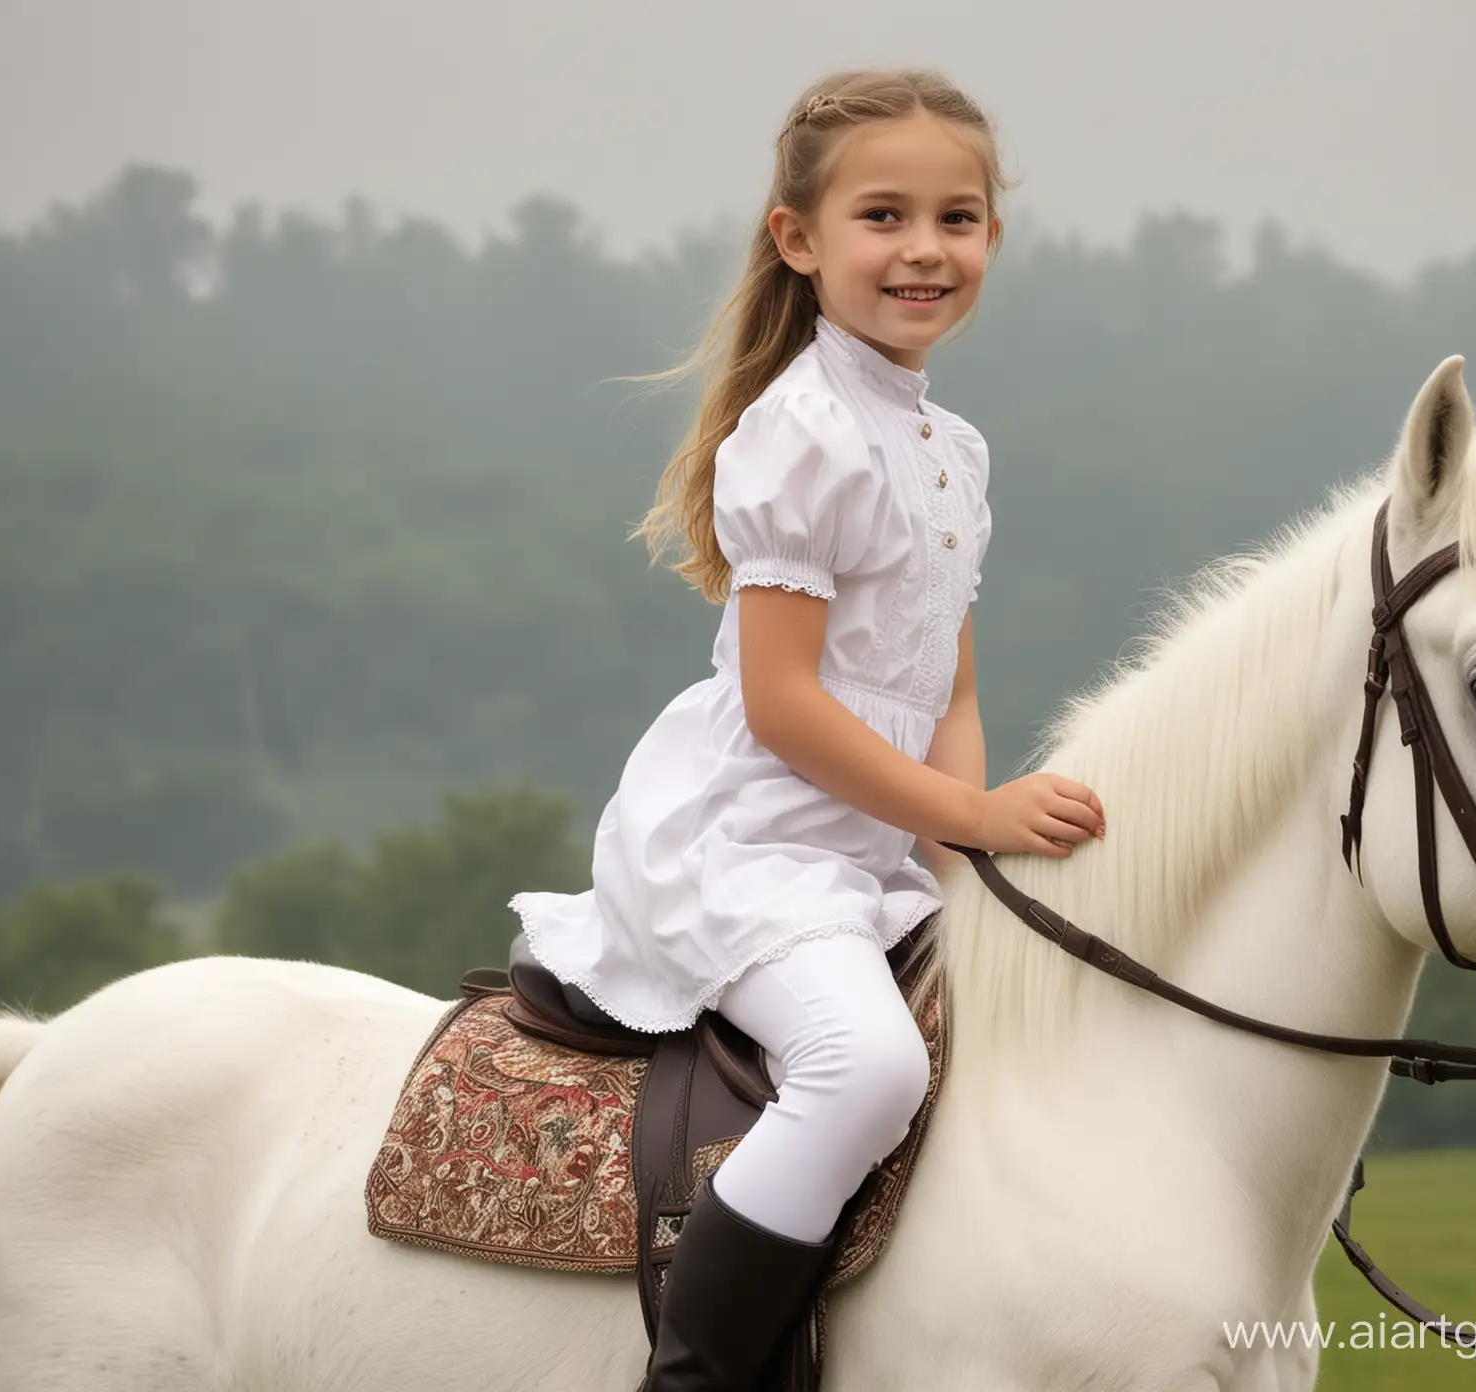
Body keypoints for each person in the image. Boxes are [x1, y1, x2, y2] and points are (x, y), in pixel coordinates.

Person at [510, 68, 1105, 1390]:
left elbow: (946, 689)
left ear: (991, 242)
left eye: (957, 219)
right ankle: (698, 1378)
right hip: (752, 845)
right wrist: (975, 816)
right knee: (864, 1067)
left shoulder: (957, 449)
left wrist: (969, 870)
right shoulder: (801, 435)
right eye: (882, 216)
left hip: (877, 852)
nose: (923, 251)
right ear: (799, 238)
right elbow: (785, 705)